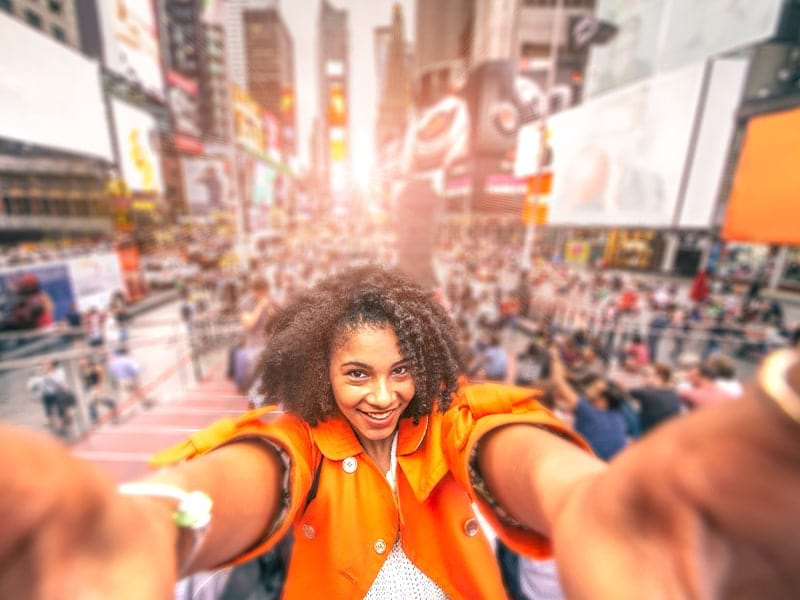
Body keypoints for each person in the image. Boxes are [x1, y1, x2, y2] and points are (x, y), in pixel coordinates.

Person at [3, 266, 800, 599]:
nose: (383, 396)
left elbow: (511, 446)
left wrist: (588, 496)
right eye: (356, 374)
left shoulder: (463, 421)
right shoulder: (300, 440)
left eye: (399, 370)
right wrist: (152, 517)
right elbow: (245, 476)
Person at [549, 346, 627, 461]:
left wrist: (554, 356)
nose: (590, 388)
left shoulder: (588, 412)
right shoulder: (618, 416)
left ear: (603, 401)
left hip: (583, 465)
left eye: (594, 388)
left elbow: (558, 380)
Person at [629, 363, 683, 435]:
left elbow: (624, 392)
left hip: (649, 439)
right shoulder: (673, 394)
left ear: (660, 377)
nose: (641, 378)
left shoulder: (646, 395)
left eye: (646, 375)